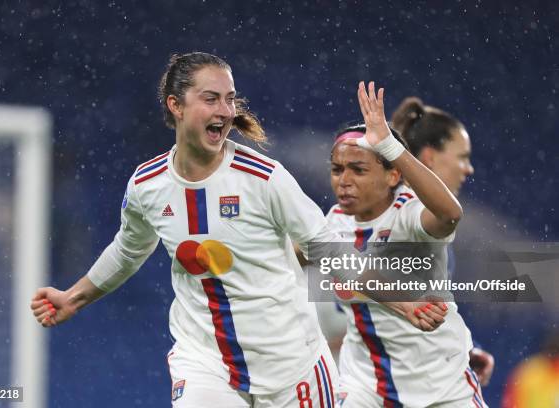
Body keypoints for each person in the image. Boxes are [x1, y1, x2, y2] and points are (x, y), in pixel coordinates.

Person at [29, 52, 442, 407]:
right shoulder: (147, 185)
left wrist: (403, 302)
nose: (225, 111)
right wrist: (73, 297)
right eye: (211, 99)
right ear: (176, 105)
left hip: (291, 366)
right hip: (206, 362)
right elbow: (128, 249)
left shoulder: (264, 178)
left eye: (229, 100)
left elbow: (326, 248)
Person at [325, 82, 487, 407]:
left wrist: (389, 143)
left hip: (443, 386)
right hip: (367, 386)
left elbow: (450, 214)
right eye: (337, 169)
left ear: (392, 176)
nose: (344, 179)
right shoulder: (333, 222)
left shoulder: (409, 214)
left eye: (357, 169)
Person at [391, 97, 495, 387]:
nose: (468, 168)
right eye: (462, 156)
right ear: (430, 157)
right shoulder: (395, 216)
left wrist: (463, 349)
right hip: (388, 381)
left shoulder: (427, 224)